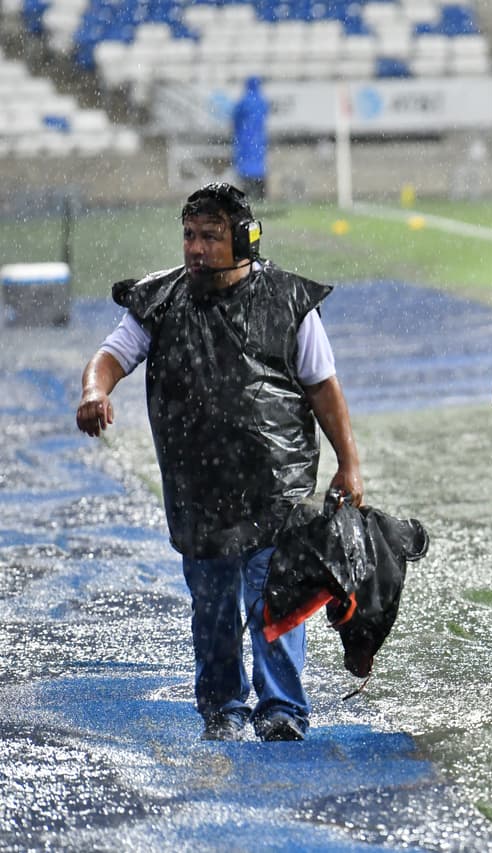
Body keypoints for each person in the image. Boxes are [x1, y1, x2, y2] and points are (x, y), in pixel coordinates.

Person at [74, 182, 363, 740]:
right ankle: (222, 709)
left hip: (275, 483)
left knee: (274, 599)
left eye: (210, 236)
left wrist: (348, 463)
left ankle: (282, 710)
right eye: (189, 235)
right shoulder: (159, 300)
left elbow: (323, 387)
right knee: (211, 610)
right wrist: (94, 390)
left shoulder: (287, 300)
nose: (196, 248)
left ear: (245, 240)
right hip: (198, 488)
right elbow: (111, 355)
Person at [232, 76, 269, 200]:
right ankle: (260, 195)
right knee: (258, 166)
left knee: (245, 167)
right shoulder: (261, 102)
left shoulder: (243, 102)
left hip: (244, 139)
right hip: (258, 139)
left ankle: (246, 195)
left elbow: (235, 118)